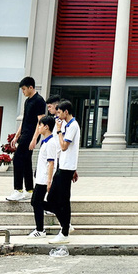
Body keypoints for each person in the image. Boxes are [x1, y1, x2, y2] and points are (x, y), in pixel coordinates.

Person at [7, 77, 45, 202]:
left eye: (24, 89)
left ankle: (18, 190)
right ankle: (29, 190)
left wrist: (35, 139)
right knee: (26, 160)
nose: (23, 92)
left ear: (31, 87)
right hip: (25, 133)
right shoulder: (27, 101)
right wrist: (16, 135)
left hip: (31, 134)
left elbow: (40, 121)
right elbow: (24, 120)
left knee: (17, 158)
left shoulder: (39, 101)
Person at [47, 100, 81, 244]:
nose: (58, 115)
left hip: (66, 168)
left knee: (62, 200)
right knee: (53, 199)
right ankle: (66, 225)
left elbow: (64, 146)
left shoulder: (72, 126)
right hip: (65, 166)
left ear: (66, 112)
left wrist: (60, 130)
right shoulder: (68, 125)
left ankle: (65, 230)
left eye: (60, 112)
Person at [28, 115, 60, 239]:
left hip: (44, 179)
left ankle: (40, 229)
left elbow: (51, 163)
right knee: (36, 202)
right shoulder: (45, 142)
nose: (39, 128)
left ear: (46, 127)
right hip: (40, 177)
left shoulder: (51, 143)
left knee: (36, 202)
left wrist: (49, 180)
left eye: (40, 125)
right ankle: (58, 212)